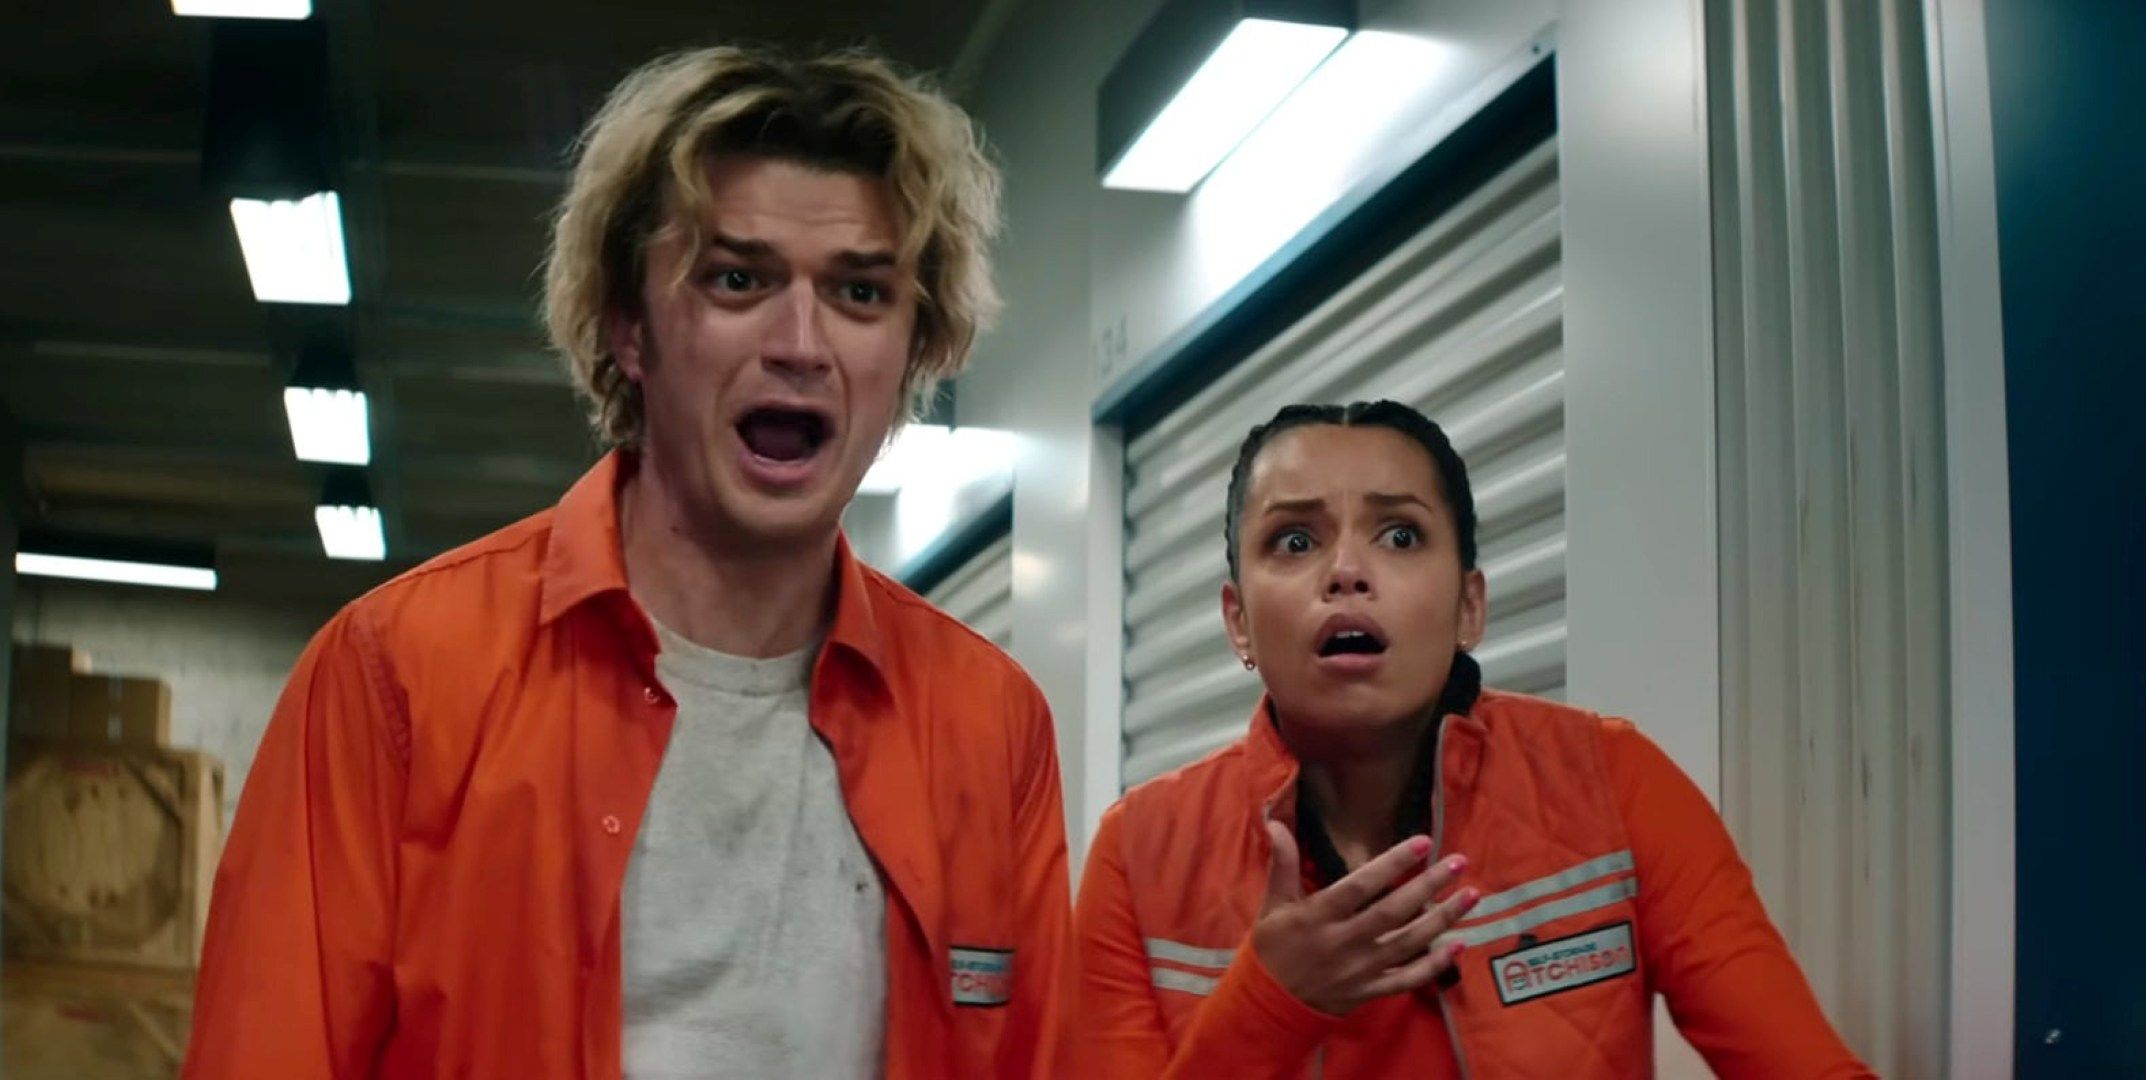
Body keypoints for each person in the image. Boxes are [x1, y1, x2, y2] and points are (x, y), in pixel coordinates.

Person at [184, 46, 1069, 1080]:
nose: (800, 342)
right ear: (629, 330)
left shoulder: (989, 726)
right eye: (737, 279)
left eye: (860, 293)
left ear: (914, 350)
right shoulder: (397, 677)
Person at [1069, 400, 1871, 1078]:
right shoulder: (1137, 855)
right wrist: (1270, 1003)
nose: (1345, 570)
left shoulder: (1612, 781)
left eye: (1399, 536)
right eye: (1295, 541)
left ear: (1468, 608)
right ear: (1238, 621)